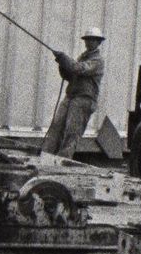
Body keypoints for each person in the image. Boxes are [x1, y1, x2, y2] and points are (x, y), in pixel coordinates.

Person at [43, 29, 106, 158]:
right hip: (71, 96)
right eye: (87, 39)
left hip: (84, 100)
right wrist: (62, 65)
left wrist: (64, 59)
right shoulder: (82, 57)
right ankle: (46, 157)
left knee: (72, 132)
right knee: (56, 127)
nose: (88, 42)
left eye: (92, 40)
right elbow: (70, 75)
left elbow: (79, 69)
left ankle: (62, 160)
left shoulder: (98, 61)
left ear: (98, 42)